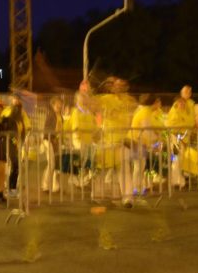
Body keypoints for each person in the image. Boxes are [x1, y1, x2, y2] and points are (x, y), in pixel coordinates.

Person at [96, 77, 137, 205]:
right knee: (102, 169)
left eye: (121, 85)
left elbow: (135, 116)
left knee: (124, 169)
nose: (118, 87)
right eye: (116, 85)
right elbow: (90, 103)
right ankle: (97, 195)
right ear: (112, 88)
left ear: (125, 87)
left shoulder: (130, 100)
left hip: (123, 141)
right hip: (108, 140)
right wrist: (98, 85)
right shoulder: (105, 99)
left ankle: (127, 198)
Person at [130, 94, 165, 198]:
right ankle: (136, 189)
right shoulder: (145, 113)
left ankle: (138, 188)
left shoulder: (147, 112)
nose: (159, 104)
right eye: (158, 102)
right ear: (154, 103)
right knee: (139, 167)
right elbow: (146, 131)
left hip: (139, 142)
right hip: (137, 142)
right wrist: (154, 144)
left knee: (140, 167)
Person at [2, 93, 31, 198]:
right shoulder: (7, 111)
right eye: (14, 99)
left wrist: (27, 132)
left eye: (18, 99)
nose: (16, 101)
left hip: (18, 142)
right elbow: (3, 124)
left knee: (16, 166)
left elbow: (27, 124)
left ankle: (12, 187)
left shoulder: (22, 112)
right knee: (12, 165)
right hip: (9, 141)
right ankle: (7, 187)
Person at [165, 96, 195, 187]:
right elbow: (172, 126)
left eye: (183, 103)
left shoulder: (186, 112)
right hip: (176, 139)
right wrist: (181, 138)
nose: (182, 104)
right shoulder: (174, 112)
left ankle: (178, 179)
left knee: (180, 160)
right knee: (176, 160)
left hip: (184, 139)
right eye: (180, 103)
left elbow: (191, 123)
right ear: (176, 103)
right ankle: (176, 181)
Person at [70, 91, 97, 188]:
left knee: (86, 160)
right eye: (82, 98)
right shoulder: (76, 111)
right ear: (77, 99)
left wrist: (95, 132)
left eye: (85, 98)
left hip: (88, 139)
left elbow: (93, 124)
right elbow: (76, 126)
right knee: (81, 160)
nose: (84, 100)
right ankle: (75, 178)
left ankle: (81, 179)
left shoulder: (88, 111)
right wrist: (78, 132)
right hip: (79, 139)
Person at [41, 96, 64, 193]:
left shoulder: (60, 116)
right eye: (57, 103)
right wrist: (52, 138)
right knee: (51, 164)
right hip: (49, 141)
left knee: (57, 165)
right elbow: (47, 129)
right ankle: (45, 185)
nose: (59, 105)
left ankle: (56, 186)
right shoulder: (51, 115)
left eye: (60, 103)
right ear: (53, 105)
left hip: (57, 142)